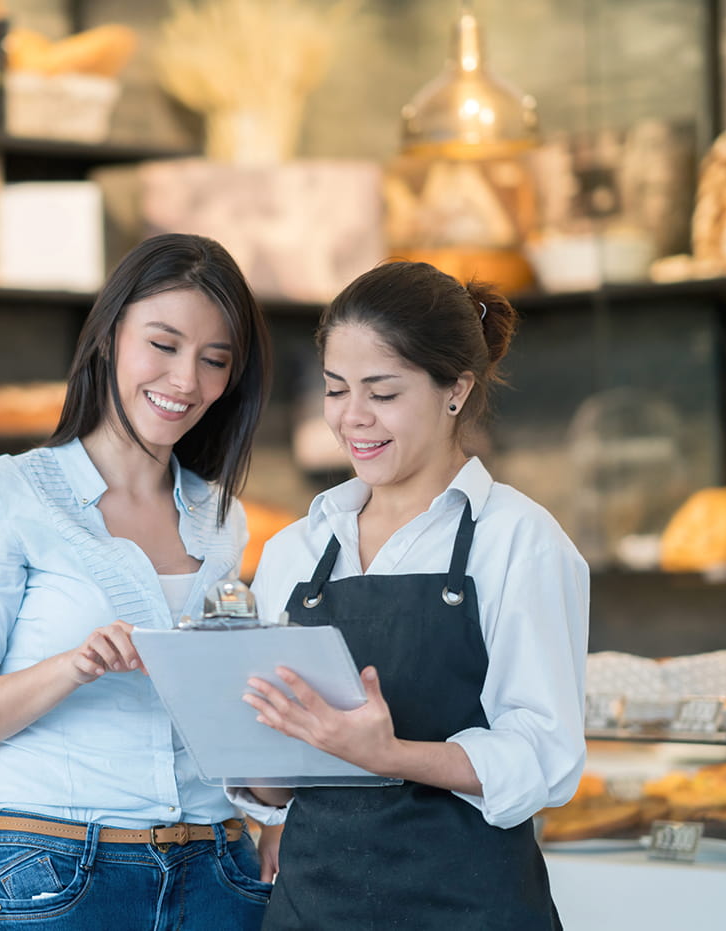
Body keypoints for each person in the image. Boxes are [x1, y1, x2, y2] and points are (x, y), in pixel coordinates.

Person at [0, 233, 275, 930]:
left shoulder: (222, 517)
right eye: (162, 345)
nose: (186, 381)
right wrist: (74, 664)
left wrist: (278, 803)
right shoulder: (6, 491)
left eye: (214, 360)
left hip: (220, 867)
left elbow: (229, 720)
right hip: (60, 870)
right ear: (109, 336)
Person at [235, 260, 588, 929]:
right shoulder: (293, 553)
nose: (353, 418)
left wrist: (391, 755)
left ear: (455, 388)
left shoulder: (519, 540)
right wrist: (253, 759)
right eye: (337, 390)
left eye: (383, 392)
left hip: (468, 910)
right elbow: (278, 788)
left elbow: (545, 755)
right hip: (313, 910)